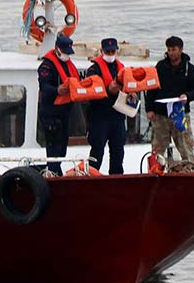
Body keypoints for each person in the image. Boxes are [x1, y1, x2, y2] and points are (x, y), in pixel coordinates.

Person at [145, 35, 194, 163]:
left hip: (180, 114)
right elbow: (151, 89)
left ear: (180, 50)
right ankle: (154, 173)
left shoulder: (189, 68)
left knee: (186, 147)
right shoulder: (160, 66)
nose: (171, 53)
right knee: (157, 149)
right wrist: (149, 109)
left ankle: (190, 170)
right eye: (169, 50)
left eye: (173, 49)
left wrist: (187, 96)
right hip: (161, 115)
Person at [85, 37, 132, 174]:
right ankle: (91, 176)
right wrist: (108, 89)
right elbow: (92, 90)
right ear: (101, 51)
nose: (111, 54)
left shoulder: (121, 68)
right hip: (100, 116)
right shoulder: (93, 70)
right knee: (97, 150)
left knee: (118, 150)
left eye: (113, 51)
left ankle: (116, 177)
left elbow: (127, 85)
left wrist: (131, 93)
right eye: (108, 51)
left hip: (118, 116)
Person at [37, 34, 80, 176]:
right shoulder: (47, 66)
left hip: (65, 113)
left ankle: (56, 171)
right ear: (57, 49)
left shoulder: (69, 66)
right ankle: (53, 173)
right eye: (65, 52)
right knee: (53, 148)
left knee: (62, 149)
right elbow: (44, 87)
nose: (67, 55)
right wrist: (57, 90)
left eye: (69, 52)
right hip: (51, 113)